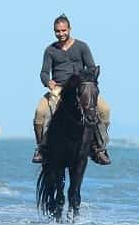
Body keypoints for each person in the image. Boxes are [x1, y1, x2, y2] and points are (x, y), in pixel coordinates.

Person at [32, 14, 111, 165]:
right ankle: (41, 148)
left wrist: (85, 80)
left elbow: (92, 68)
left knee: (104, 109)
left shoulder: (82, 46)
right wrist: (48, 82)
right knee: (41, 112)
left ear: (69, 29)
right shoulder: (50, 50)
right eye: (57, 31)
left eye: (63, 30)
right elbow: (43, 72)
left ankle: (99, 147)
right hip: (59, 89)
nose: (61, 34)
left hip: (81, 89)